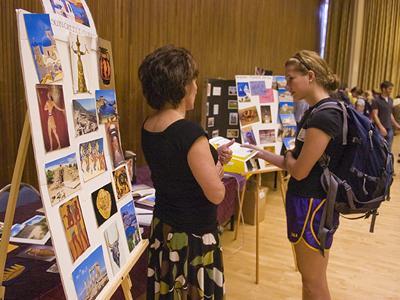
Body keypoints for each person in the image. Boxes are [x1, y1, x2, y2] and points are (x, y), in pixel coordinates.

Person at [243, 50, 344, 299]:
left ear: (310, 76)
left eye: (290, 79)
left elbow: (298, 170)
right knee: (309, 278)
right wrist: (258, 152)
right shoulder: (315, 112)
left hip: (313, 205)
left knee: (314, 282)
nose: (286, 86)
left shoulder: (325, 116)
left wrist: (289, 158)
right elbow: (293, 162)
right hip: (308, 203)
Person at [139, 45, 232, 300]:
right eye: (193, 79)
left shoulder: (149, 125)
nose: (196, 85)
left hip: (164, 229)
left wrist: (215, 162)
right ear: (182, 85)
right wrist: (219, 172)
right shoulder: (189, 134)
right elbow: (215, 194)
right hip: (193, 238)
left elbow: (179, 174)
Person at [371, 80, 400, 151]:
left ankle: (386, 162)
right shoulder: (376, 100)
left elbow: (390, 114)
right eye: (389, 89)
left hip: (389, 128)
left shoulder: (390, 100)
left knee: (388, 149)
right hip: (379, 128)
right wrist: (381, 127)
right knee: (379, 148)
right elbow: (375, 115)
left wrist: (396, 124)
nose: (391, 91)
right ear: (384, 89)